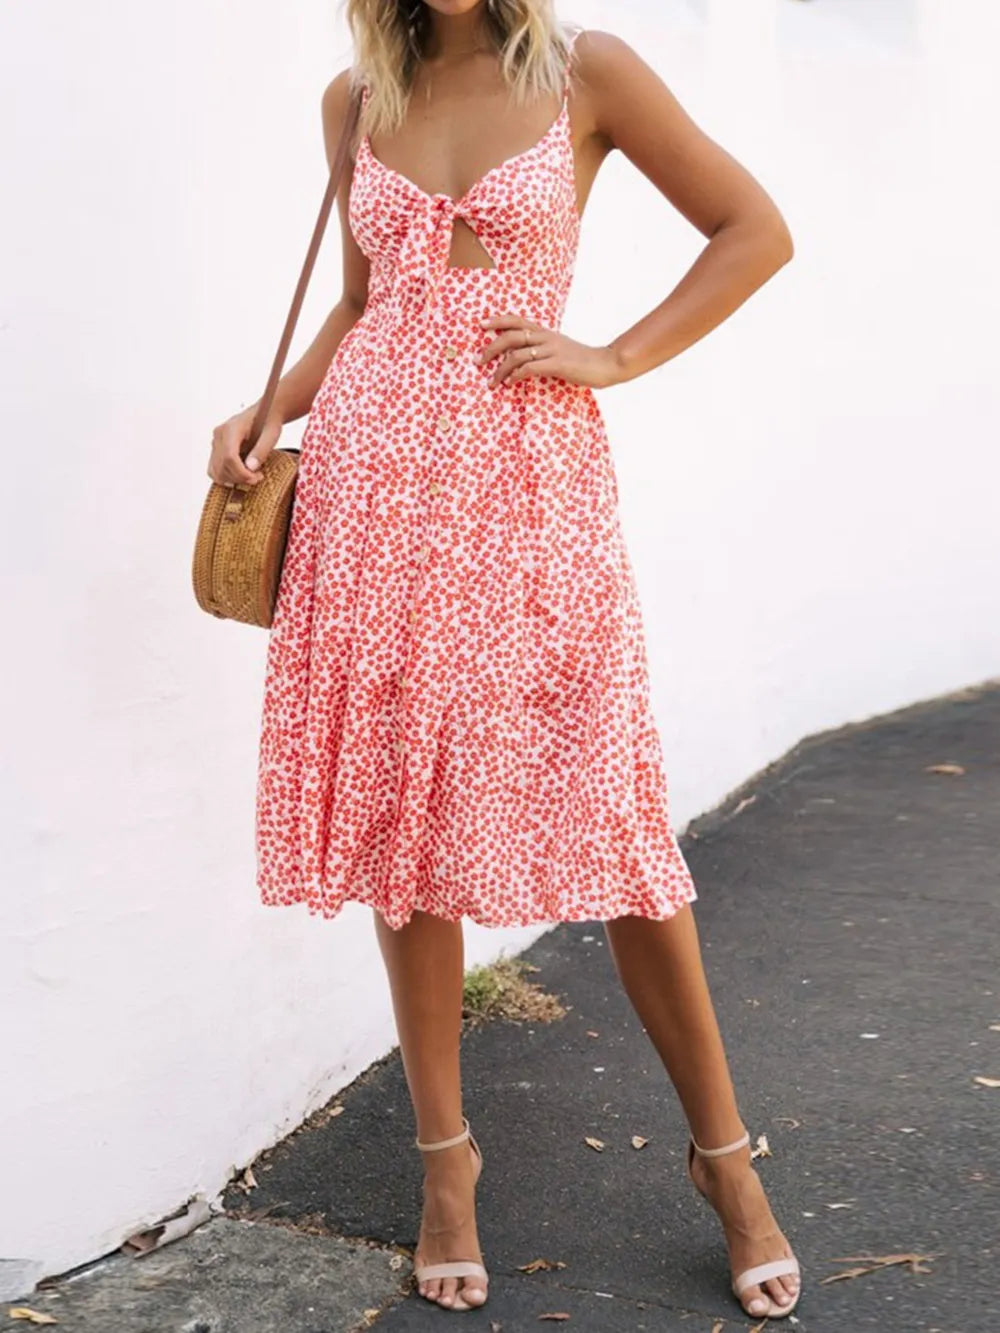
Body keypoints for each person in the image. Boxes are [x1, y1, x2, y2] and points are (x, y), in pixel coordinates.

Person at [209, 0, 798, 1320]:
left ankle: (725, 1158)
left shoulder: (592, 72)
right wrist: (266, 409)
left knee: (618, 818)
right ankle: (446, 1162)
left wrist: (615, 355)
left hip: (531, 486)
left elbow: (754, 230)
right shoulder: (356, 98)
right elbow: (361, 307)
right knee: (409, 821)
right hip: (372, 492)